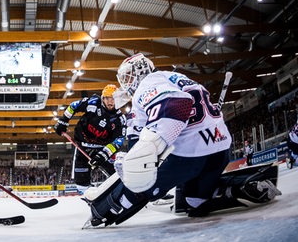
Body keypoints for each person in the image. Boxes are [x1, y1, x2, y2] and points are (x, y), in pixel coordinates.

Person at [84, 53, 280, 227]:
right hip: (220, 149)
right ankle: (243, 186)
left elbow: (177, 104)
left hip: (190, 154)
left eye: (128, 76)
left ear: (140, 71)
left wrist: (147, 151)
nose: (126, 83)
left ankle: (104, 213)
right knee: (194, 203)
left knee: (143, 187)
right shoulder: (177, 77)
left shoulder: (147, 84)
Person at [54, 84, 127, 194]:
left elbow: (119, 140)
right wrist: (63, 121)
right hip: (83, 145)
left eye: (113, 98)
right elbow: (74, 106)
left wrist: (103, 155)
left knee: (116, 174)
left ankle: (124, 193)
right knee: (80, 182)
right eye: (107, 98)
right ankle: (89, 198)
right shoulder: (93, 103)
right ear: (103, 98)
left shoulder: (120, 119)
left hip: (103, 148)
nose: (110, 102)